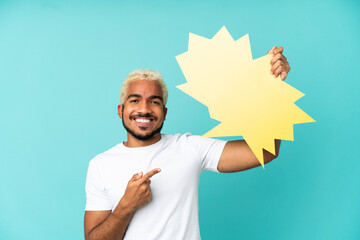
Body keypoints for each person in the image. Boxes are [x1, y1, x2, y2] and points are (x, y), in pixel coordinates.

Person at [84, 46, 291, 240]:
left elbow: (265, 151)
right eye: (135, 100)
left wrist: (273, 88)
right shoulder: (100, 165)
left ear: (164, 114)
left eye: (154, 101)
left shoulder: (189, 147)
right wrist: (126, 206)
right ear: (121, 111)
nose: (145, 109)